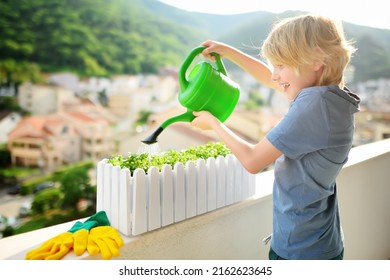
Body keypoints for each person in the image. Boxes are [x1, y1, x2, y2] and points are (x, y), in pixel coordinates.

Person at [191, 14, 360, 260]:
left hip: (300, 252)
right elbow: (275, 80)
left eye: (280, 65)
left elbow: (252, 160)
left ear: (316, 59)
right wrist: (229, 52)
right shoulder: (331, 97)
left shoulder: (314, 106)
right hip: (322, 241)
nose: (274, 75)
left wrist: (213, 123)